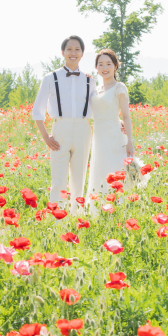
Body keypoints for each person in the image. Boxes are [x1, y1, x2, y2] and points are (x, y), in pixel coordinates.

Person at [32, 35, 95, 214]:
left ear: (82, 53)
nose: (73, 53)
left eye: (77, 49)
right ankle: (57, 218)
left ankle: (76, 217)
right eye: (69, 49)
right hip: (61, 128)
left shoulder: (90, 80)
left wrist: (118, 120)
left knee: (79, 178)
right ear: (62, 52)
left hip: (83, 128)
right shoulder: (50, 78)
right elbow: (38, 110)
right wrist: (46, 136)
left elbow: (97, 107)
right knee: (58, 179)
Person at [86, 49, 134, 211]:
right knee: (100, 170)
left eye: (108, 64)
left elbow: (126, 116)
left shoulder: (119, 87)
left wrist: (130, 142)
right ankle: (98, 210)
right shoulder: (95, 89)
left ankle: (118, 210)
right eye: (100, 64)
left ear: (115, 66)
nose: (104, 68)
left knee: (115, 171)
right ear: (96, 68)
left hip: (115, 136)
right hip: (99, 137)